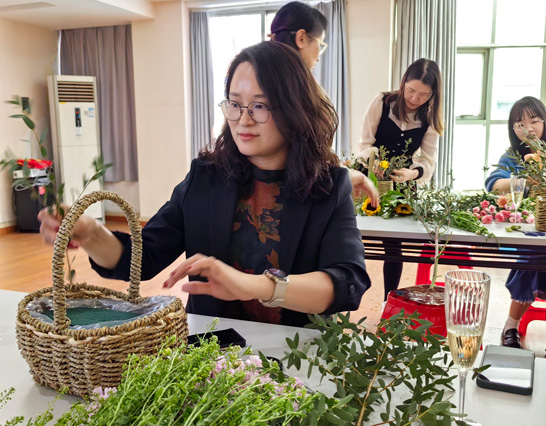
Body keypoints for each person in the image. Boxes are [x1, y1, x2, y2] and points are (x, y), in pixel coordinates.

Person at [38, 41, 371, 327]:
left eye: (259, 105)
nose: (243, 119)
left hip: (297, 353)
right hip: (211, 349)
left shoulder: (328, 185)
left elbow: (347, 283)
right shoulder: (208, 177)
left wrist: (258, 286)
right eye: (235, 103)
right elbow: (143, 258)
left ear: (294, 108)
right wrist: (92, 233)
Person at [270, 1, 378, 205]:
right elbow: (307, 164)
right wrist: (346, 175)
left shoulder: (257, 77)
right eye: (320, 44)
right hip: (296, 201)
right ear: (301, 38)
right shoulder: (300, 90)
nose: (319, 55)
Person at [354, 58, 444, 301]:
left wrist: (412, 174)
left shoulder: (430, 117)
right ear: (403, 82)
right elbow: (365, 143)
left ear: (433, 94)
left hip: (402, 187)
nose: (414, 98)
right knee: (356, 237)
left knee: (393, 247)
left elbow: (428, 160)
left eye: (423, 94)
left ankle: (387, 301)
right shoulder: (383, 103)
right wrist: (374, 163)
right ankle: (354, 290)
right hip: (372, 180)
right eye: (411, 90)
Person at [485, 96, 546, 348]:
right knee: (530, 257)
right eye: (520, 124)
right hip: (532, 230)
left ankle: (511, 324)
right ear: (513, 128)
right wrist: (524, 181)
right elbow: (493, 185)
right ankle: (511, 326)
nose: (528, 129)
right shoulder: (513, 156)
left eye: (534, 121)